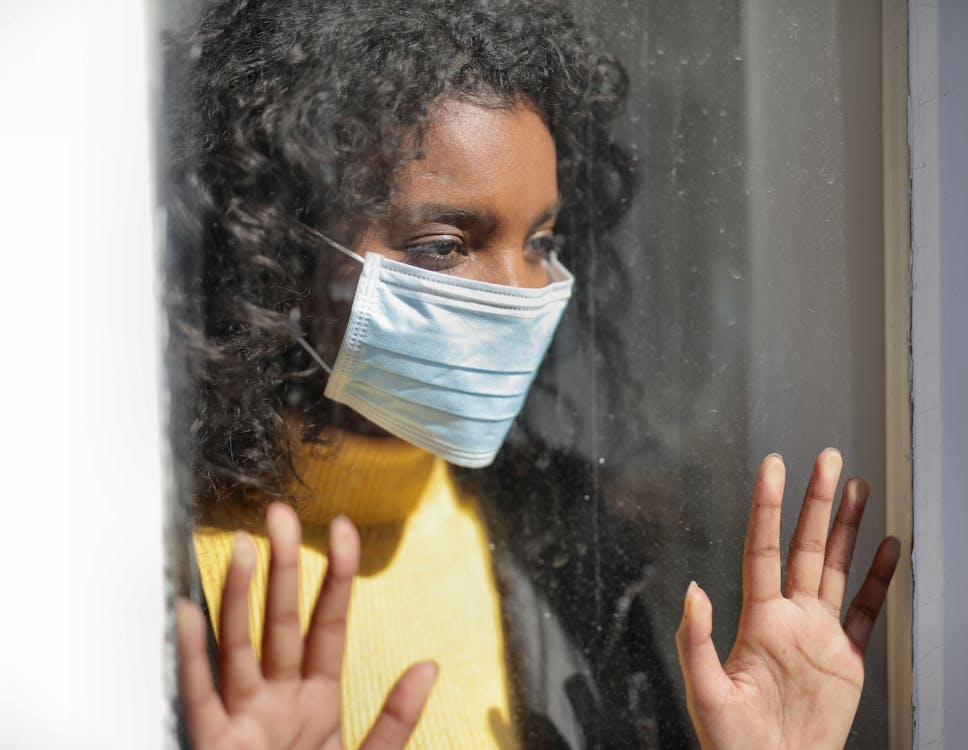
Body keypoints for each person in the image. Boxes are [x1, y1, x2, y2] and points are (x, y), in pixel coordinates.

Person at [165, 0, 901, 748]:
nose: (521, 293)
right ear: (274, 248)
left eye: (540, 240)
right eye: (445, 244)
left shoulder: (565, 540)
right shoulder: (155, 564)